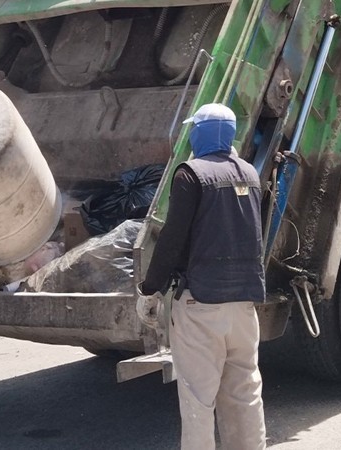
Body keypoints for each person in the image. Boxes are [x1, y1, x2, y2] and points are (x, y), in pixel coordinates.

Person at [139, 103, 267, 449]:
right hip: (243, 307)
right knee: (244, 394)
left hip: (200, 305)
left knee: (198, 398)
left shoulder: (190, 175)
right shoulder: (251, 175)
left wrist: (150, 288)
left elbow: (172, 239)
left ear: (199, 133)